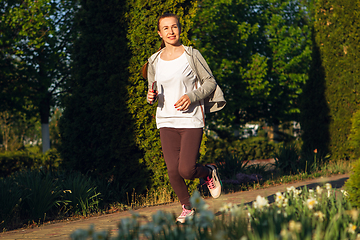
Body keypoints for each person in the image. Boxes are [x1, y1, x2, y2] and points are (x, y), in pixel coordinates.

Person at [145, 13, 226, 223]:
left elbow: (210, 82)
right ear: (159, 33)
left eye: (174, 27)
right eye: (165, 28)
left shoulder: (191, 54)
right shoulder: (154, 61)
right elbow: (151, 89)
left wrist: (191, 96)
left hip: (190, 120)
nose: (170, 32)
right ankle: (188, 208)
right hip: (166, 120)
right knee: (173, 171)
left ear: (180, 29)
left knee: (186, 169)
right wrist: (150, 97)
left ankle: (208, 172)